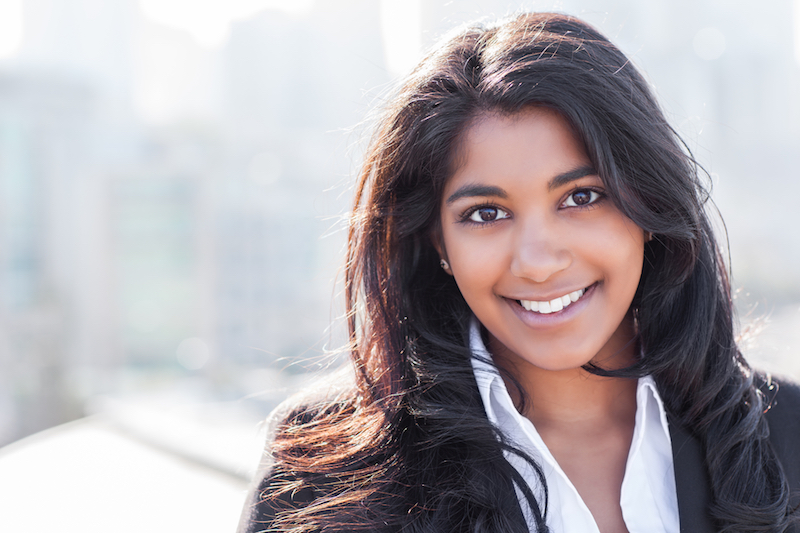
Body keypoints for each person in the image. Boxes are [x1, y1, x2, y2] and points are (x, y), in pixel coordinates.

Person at [237, 12, 800, 533]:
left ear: (649, 207)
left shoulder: (788, 434)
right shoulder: (321, 469)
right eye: (486, 214)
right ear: (437, 241)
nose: (537, 260)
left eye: (582, 197)